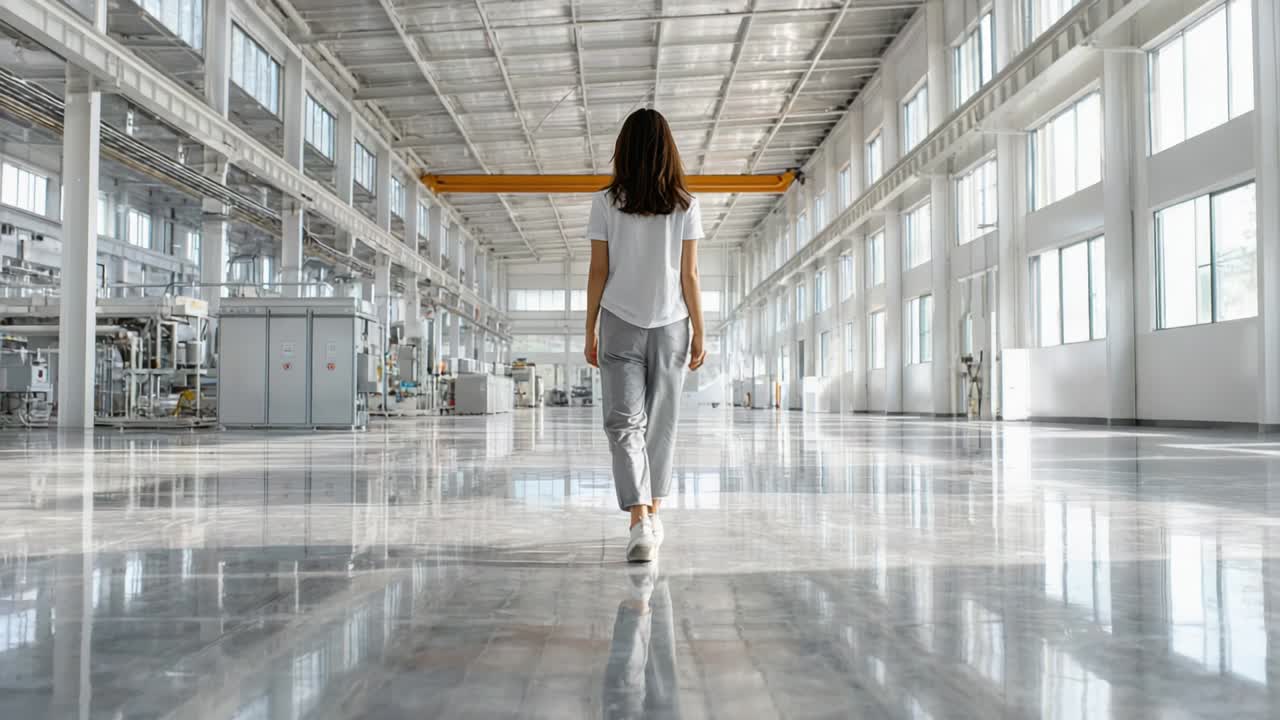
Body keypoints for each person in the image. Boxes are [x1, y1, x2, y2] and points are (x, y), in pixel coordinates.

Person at [583, 108, 706, 563]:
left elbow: (598, 271)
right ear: (668, 151)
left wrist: (590, 327)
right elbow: (690, 275)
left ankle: (641, 519)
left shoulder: (605, 203)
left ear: (624, 150)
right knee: (662, 423)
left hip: (619, 320)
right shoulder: (686, 205)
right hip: (672, 322)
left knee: (623, 424)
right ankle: (649, 514)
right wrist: (700, 331)